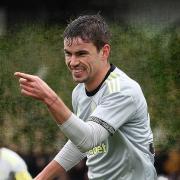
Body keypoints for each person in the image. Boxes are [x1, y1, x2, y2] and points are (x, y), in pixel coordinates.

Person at [14, 14, 157, 180]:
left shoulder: (123, 90)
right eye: (68, 54)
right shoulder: (79, 92)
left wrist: (49, 98)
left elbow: (89, 139)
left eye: (81, 54)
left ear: (104, 52)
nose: (73, 62)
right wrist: (41, 177)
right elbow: (79, 142)